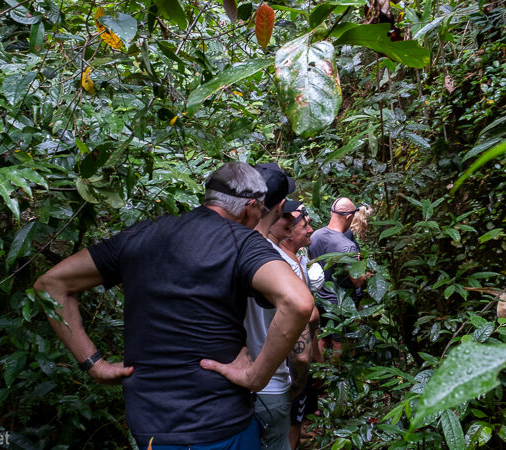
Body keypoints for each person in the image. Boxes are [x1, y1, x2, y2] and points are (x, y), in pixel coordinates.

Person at [33, 162, 314, 449]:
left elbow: (51, 284)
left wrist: (94, 364)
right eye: (260, 211)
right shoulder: (243, 242)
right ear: (250, 207)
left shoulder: (143, 234)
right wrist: (256, 377)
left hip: (150, 425)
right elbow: (298, 302)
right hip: (220, 422)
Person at [244, 198, 307, 450]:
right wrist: (296, 386)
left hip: (227, 383)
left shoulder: (226, 250)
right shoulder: (281, 263)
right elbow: (301, 351)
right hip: (270, 384)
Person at [277, 204, 323, 450]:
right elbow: (307, 315)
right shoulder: (282, 264)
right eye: (304, 226)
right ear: (287, 231)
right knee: (291, 421)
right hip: (287, 362)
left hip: (292, 360)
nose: (310, 230)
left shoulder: (299, 258)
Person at [308, 197, 366, 355]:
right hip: (341, 304)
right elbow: (357, 281)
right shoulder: (347, 246)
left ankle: (321, 368)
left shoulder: (314, 236)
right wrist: (364, 271)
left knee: (324, 338)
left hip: (320, 300)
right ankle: (339, 369)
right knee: (340, 344)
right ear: (349, 217)